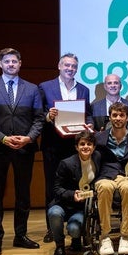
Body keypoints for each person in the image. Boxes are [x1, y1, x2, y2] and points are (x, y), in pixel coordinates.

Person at [0, 47, 45, 255]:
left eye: (14, 61)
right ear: (0, 64)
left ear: (20, 63)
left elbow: (39, 118)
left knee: (23, 194)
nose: (11, 64)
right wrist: (2, 138)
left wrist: (29, 138)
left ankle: (20, 235)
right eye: (7, 61)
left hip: (25, 148)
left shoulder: (32, 89)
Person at [38, 52, 92, 243]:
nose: (70, 69)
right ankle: (52, 228)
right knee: (52, 186)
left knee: (77, 183)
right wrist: (48, 116)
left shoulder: (84, 89)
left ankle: (76, 224)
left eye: (74, 66)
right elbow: (38, 113)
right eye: (67, 65)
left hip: (74, 146)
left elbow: (88, 114)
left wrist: (90, 125)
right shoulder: (45, 87)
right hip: (53, 145)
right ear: (59, 66)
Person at [94, 102, 128, 255]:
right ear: (110, 117)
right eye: (114, 115)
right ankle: (105, 236)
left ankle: (125, 236)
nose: (118, 118)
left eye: (121, 115)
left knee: (127, 188)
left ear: (127, 118)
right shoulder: (98, 138)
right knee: (104, 188)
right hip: (106, 176)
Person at [48, 130, 100, 255]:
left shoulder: (98, 158)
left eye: (89, 144)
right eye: (82, 144)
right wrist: (72, 195)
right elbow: (57, 188)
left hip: (81, 207)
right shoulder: (66, 163)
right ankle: (59, 246)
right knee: (54, 214)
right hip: (63, 203)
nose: (85, 147)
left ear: (93, 147)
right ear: (76, 147)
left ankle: (76, 240)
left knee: (74, 229)